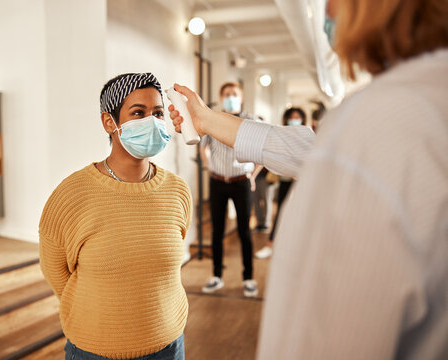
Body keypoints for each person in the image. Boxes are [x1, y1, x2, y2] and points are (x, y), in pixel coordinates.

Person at [168, 0, 448, 357]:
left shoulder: (380, 123)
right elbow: (307, 146)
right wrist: (206, 121)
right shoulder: (417, 109)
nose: (327, 10)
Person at [39, 73, 192, 360]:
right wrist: (95, 310)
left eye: (158, 113)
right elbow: (55, 269)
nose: (153, 121)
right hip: (95, 350)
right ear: (110, 122)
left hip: (169, 345)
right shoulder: (72, 194)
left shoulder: (177, 191)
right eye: (138, 113)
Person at [200, 81, 259, 298]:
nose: (230, 96)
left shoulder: (250, 120)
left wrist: (252, 175)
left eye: (234, 93)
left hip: (241, 181)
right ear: (221, 96)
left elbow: (262, 151)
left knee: (245, 231)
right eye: (226, 93)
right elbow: (203, 147)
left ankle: (249, 278)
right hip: (217, 182)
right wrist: (209, 168)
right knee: (217, 231)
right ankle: (216, 276)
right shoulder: (212, 119)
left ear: (241, 96)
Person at [255, 107, 307, 259]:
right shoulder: (282, 136)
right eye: (292, 117)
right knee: (281, 212)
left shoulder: (307, 136)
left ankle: (297, 246)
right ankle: (270, 243)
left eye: (298, 117)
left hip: (301, 182)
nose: (295, 120)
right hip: (286, 181)